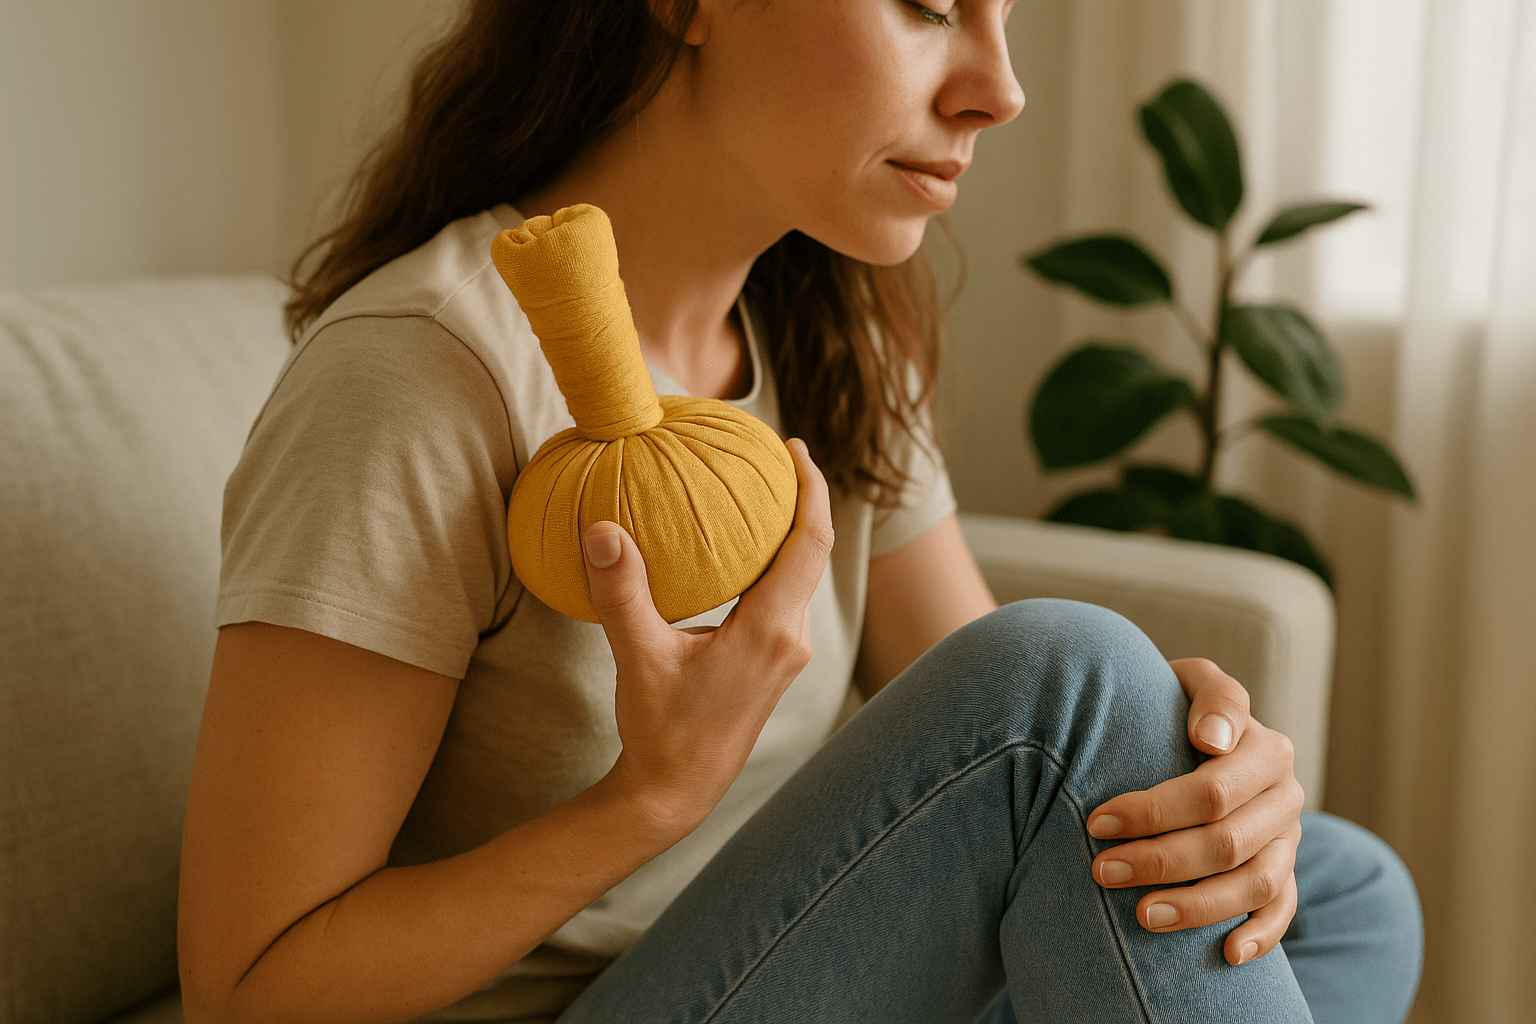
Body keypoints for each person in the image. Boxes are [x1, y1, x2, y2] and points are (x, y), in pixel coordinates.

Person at [176, 1, 1425, 1021]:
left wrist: (1185, 747)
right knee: (1076, 672)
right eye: (931, 6)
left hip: (790, 966)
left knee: (1347, 889)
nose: (998, 88)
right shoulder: (423, 375)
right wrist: (647, 801)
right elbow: (252, 987)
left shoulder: (827, 335)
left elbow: (1022, 759)